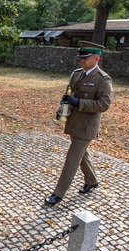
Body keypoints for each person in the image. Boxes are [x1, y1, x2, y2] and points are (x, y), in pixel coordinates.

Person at [45, 40, 113, 205]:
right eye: (81, 57)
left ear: (96, 59)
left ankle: (58, 194)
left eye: (86, 57)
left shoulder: (103, 79)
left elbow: (104, 105)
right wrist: (63, 108)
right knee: (82, 155)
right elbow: (68, 95)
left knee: (72, 158)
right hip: (74, 122)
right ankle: (92, 180)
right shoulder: (77, 74)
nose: (81, 60)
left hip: (86, 126)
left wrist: (78, 103)